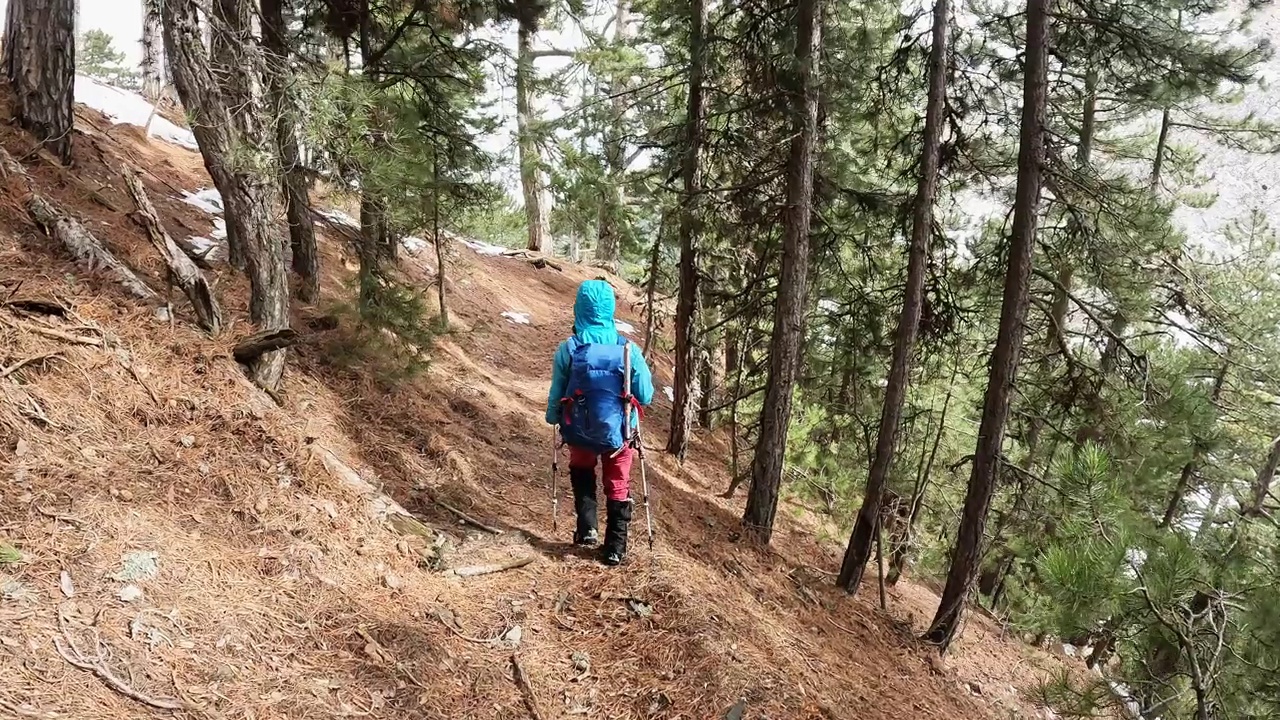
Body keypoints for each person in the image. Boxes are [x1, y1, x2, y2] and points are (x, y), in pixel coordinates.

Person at [546, 280, 654, 566]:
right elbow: (645, 394)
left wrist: (553, 416)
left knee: (582, 469)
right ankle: (615, 547)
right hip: (620, 432)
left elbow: (557, 391)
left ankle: (587, 529)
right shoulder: (626, 349)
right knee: (617, 483)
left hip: (580, 429)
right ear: (609, 310)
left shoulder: (568, 348)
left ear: (578, 309)